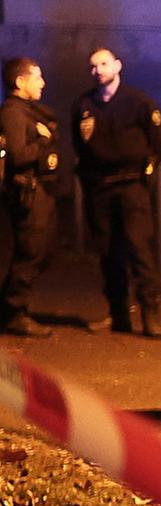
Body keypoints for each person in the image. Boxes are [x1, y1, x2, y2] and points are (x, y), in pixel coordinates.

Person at [72, 48, 161, 337]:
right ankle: (118, 314)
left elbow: (157, 144)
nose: (98, 70)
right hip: (100, 187)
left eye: (103, 64)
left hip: (130, 185)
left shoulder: (139, 102)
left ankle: (150, 314)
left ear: (117, 66)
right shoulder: (84, 104)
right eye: (93, 66)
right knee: (108, 252)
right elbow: (80, 145)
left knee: (139, 248)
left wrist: (144, 178)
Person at [0, 58, 60, 336]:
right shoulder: (13, 113)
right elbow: (18, 155)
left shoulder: (29, 111)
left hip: (41, 192)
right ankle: (14, 313)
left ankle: (14, 309)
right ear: (20, 82)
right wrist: (43, 142)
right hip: (27, 193)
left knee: (42, 251)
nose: (42, 82)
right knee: (29, 253)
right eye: (37, 77)